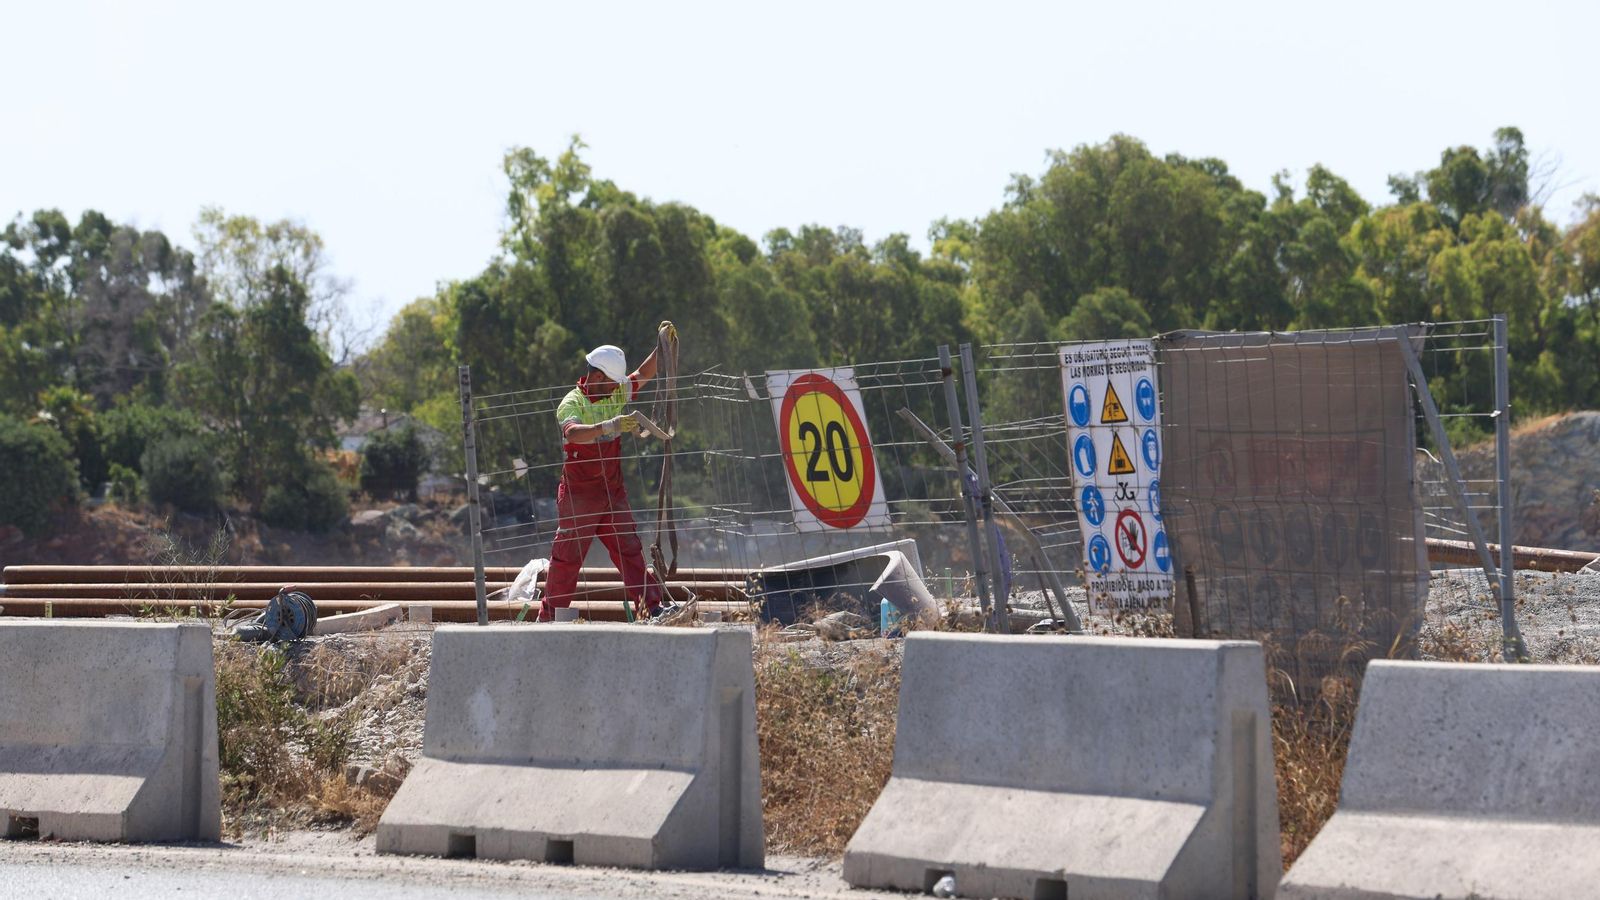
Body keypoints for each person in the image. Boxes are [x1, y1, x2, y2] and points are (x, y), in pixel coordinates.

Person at [542, 321, 677, 621]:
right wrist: (608, 426)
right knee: (566, 560)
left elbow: (643, 374)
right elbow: (573, 433)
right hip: (579, 497)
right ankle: (549, 617)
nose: (619, 387)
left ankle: (652, 608)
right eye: (613, 382)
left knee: (629, 550)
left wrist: (662, 346)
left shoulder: (614, 393)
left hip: (612, 493)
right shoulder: (572, 403)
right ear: (598, 377)